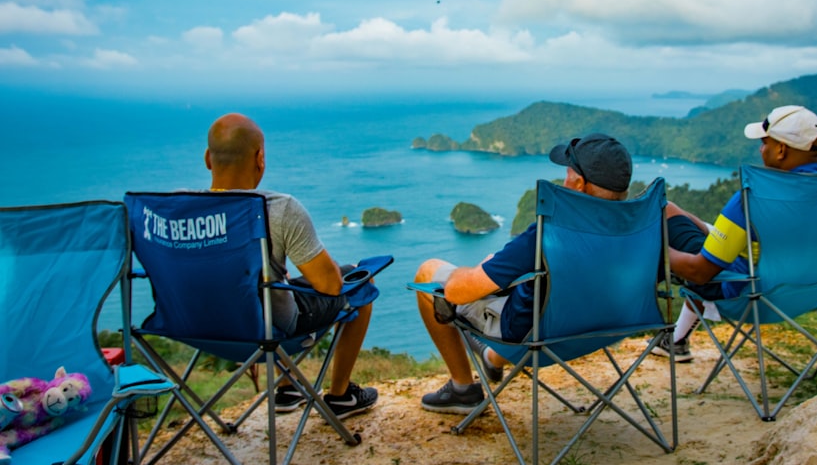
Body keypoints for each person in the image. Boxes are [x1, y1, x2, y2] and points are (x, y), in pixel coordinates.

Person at [413, 133, 633, 414]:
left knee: (427, 272)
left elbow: (457, 292)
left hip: (534, 337)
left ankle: (463, 389)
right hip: (605, 328)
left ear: (578, 184)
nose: (563, 179)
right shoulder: (642, 229)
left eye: (567, 172)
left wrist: (481, 269)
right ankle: (492, 357)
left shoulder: (547, 235)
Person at [204, 113, 378, 418]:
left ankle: (288, 387)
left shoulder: (175, 210)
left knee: (270, 285)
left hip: (197, 327)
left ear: (208, 159)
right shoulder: (279, 209)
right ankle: (340, 395)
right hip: (268, 330)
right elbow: (330, 286)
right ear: (260, 158)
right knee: (361, 282)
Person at [653, 105, 817, 363]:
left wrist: (655, 250)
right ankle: (676, 340)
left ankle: (673, 338)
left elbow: (700, 272)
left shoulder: (752, 199)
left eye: (764, 142)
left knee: (664, 213)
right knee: (696, 224)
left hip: (745, 291)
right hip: (808, 291)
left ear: (781, 150)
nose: (761, 148)